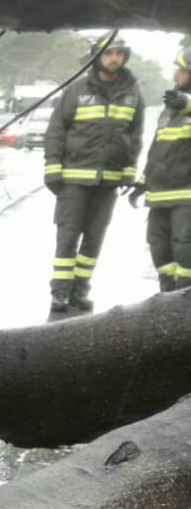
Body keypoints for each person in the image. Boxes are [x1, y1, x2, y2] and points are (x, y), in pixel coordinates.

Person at [43, 35, 145, 313]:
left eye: (119, 54)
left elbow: (135, 136)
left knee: (94, 238)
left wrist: (129, 170)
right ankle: (60, 292)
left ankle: (80, 289)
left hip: (109, 181)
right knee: (68, 236)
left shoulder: (133, 93)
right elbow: (56, 130)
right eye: (109, 53)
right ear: (97, 56)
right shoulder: (76, 90)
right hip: (74, 178)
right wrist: (52, 167)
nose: (114, 58)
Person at [129, 50, 191, 292]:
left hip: (186, 196)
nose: (177, 74)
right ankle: (167, 293)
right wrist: (143, 181)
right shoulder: (169, 110)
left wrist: (187, 105)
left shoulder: (183, 105)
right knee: (158, 247)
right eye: (178, 68)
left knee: (185, 248)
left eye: (183, 69)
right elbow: (158, 149)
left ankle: (185, 297)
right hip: (159, 195)